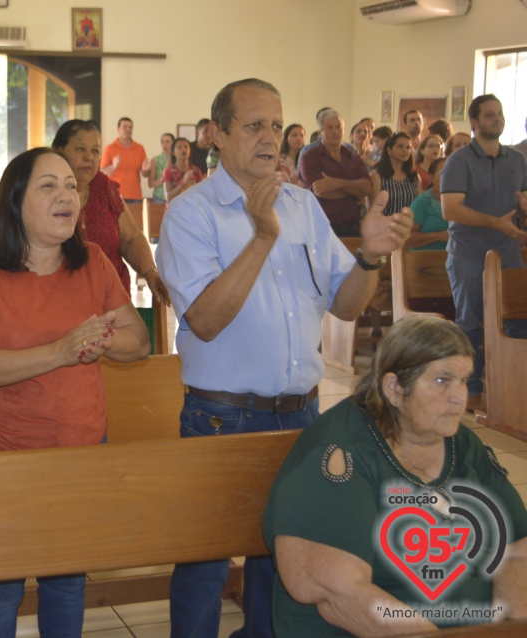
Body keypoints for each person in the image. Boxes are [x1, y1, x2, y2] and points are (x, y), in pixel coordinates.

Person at [155, 78, 413, 638]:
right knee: (205, 563)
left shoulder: (302, 205)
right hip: (223, 418)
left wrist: (369, 257)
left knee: (285, 562)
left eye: (276, 124)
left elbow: (344, 308)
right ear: (217, 135)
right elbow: (203, 318)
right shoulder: (190, 213)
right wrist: (262, 238)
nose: (271, 137)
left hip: (301, 414)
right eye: (254, 126)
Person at [0, 147, 150, 637]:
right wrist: (60, 351)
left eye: (71, 187)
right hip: (1, 452)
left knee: (66, 582)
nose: (66, 196)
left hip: (80, 453)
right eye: (48, 186)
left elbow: (138, 342)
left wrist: (100, 341)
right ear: (15, 201)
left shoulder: (94, 261)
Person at [264, 315, 527, 636]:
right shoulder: (338, 455)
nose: (460, 396)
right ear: (394, 387)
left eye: (464, 380)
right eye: (443, 381)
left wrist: (512, 626)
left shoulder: (460, 442)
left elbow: (517, 544)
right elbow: (341, 595)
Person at [440, 93, 527, 412]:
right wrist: (496, 223)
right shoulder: (459, 161)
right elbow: (451, 209)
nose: (497, 119)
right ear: (474, 123)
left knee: (518, 319)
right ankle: (470, 390)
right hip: (469, 252)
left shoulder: (517, 159)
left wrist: (523, 209)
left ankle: (513, 384)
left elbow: (524, 200)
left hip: (508, 253)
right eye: (490, 115)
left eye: (500, 113)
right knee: (471, 323)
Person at [51, 119, 170, 304]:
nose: (89, 157)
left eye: (95, 150)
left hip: (113, 307)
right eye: (81, 149)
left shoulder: (106, 190)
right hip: (59, 305)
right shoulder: (44, 194)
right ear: (58, 150)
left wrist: (150, 272)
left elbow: (131, 239)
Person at [299, 108, 372, 237]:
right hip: (322, 229)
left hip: (352, 229)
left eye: (339, 127)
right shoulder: (309, 157)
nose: (335, 131)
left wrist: (337, 183)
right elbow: (321, 191)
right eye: (330, 128)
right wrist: (354, 192)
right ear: (320, 132)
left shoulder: (352, 156)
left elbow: (367, 187)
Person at [370, 132, 422, 217]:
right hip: (384, 226)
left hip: (410, 226)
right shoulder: (377, 175)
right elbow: (374, 209)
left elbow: (420, 207)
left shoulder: (414, 176)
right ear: (389, 150)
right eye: (400, 146)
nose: (405, 150)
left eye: (408, 147)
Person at [100, 116, 148, 203]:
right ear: (118, 129)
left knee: (135, 217)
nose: (128, 129)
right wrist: (113, 166)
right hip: (114, 195)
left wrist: (146, 170)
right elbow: (102, 173)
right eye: (125, 127)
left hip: (135, 196)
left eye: (130, 127)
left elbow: (144, 174)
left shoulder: (139, 148)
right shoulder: (110, 148)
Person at [408, 156, 449, 251]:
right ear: (432, 177)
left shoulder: (464, 201)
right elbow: (407, 237)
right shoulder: (422, 202)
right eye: (443, 171)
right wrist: (439, 236)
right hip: (423, 261)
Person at [162, 137, 204, 201]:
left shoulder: (196, 170)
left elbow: (202, 193)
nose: (183, 149)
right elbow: (168, 197)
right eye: (179, 147)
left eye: (186, 147)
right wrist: (183, 183)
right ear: (173, 152)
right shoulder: (168, 171)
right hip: (175, 208)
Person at [149, 132, 174, 203]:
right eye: (162, 142)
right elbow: (151, 183)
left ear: (173, 143)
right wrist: (167, 179)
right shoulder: (155, 160)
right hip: (159, 197)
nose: (165, 144)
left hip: (175, 195)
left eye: (167, 142)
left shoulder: (178, 159)